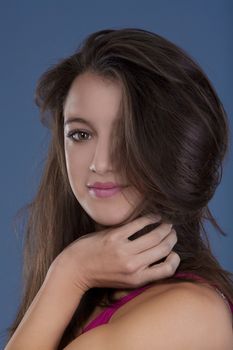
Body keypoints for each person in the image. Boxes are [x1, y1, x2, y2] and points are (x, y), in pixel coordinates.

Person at [5, 27, 233, 349]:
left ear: (172, 145)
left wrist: (70, 272)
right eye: (81, 135)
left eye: (126, 136)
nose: (101, 163)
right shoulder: (90, 295)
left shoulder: (189, 312)